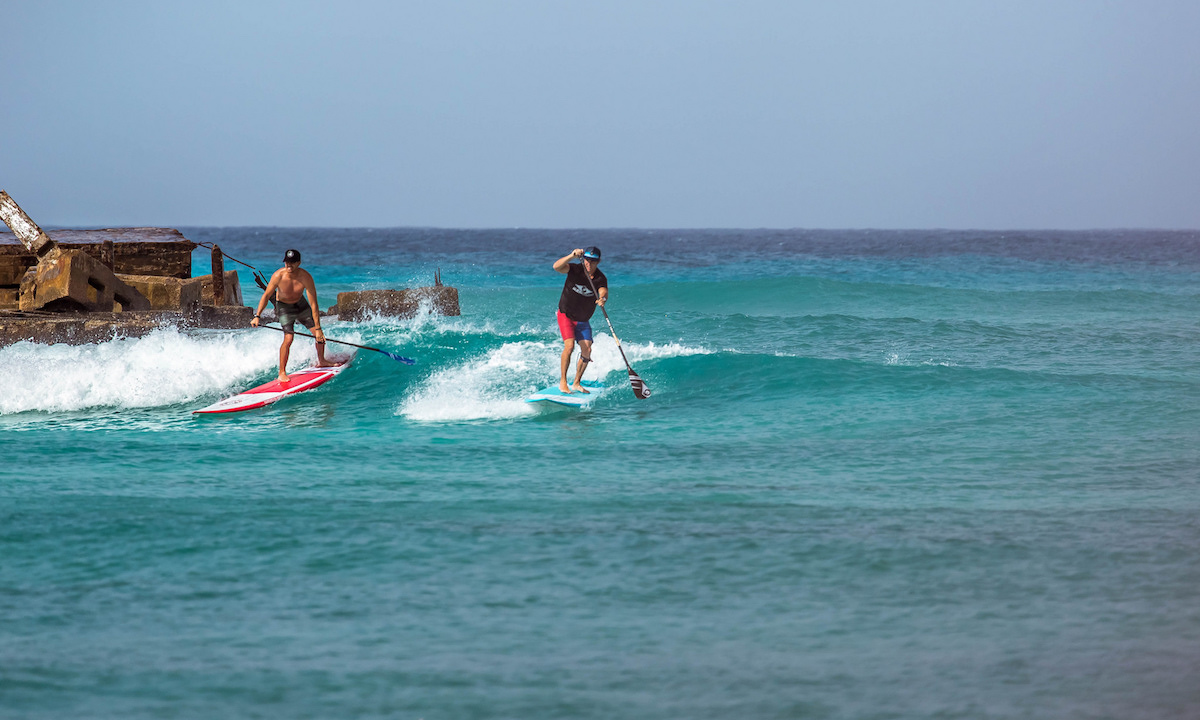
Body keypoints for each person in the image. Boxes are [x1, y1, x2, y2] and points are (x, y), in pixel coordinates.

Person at [250, 248, 333, 382]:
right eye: (287, 262)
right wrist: (257, 316)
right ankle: (282, 372)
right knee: (288, 338)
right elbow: (266, 296)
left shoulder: (306, 277)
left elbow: (314, 305)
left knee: (318, 335)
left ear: (299, 263)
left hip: (301, 305)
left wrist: (318, 329)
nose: (289, 265)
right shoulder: (278, 276)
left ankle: (322, 360)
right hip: (284, 307)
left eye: (292, 262)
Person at [553, 246, 607, 393]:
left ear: (598, 261)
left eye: (593, 261)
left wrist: (602, 299)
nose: (590, 264)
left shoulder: (600, 278)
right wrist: (571, 255)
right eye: (587, 260)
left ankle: (576, 383)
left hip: (583, 320)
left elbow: (603, 290)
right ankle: (563, 382)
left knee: (587, 350)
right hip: (566, 315)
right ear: (584, 260)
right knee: (569, 347)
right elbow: (556, 267)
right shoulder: (575, 270)